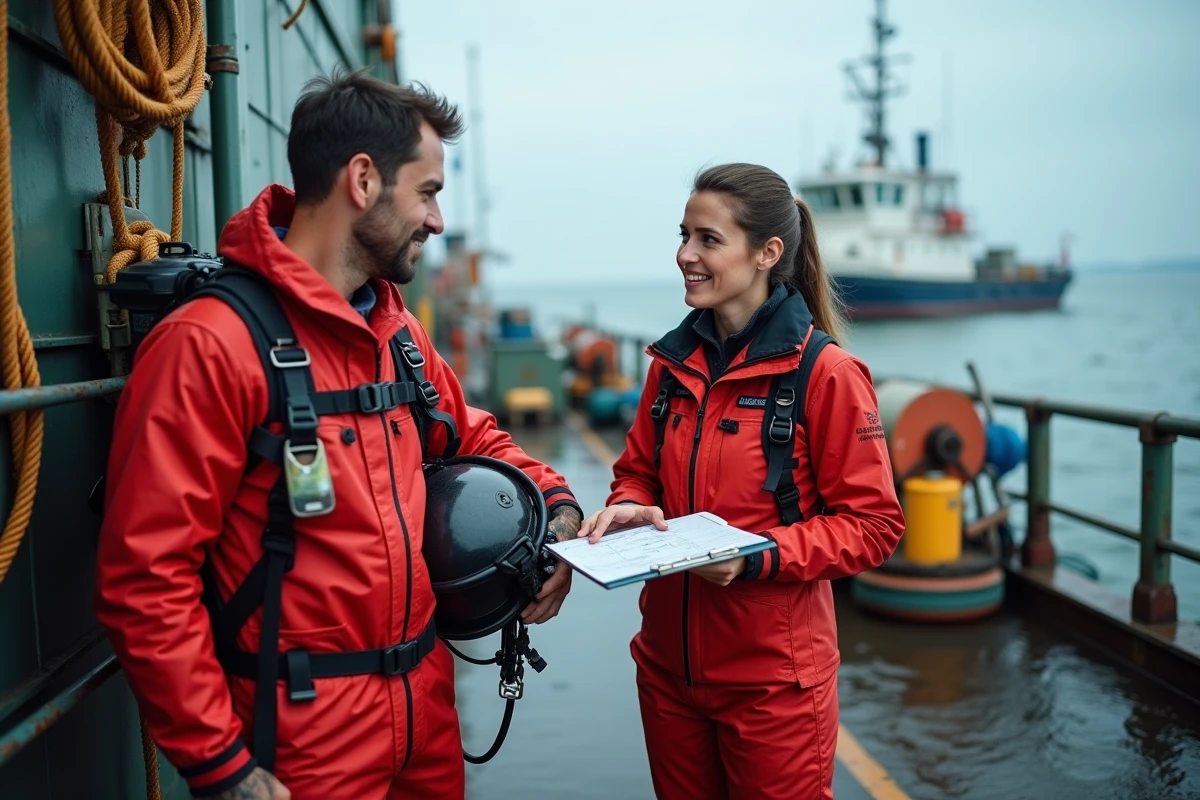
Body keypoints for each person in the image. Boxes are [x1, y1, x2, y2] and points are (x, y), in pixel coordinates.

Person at [94, 68, 581, 800]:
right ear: (362, 180)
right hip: (300, 749)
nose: (437, 221)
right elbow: (145, 578)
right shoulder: (210, 345)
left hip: (426, 728)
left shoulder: (398, 336)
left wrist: (560, 515)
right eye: (428, 192)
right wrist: (221, 766)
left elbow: (477, 441)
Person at [578, 163, 905, 799]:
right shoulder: (671, 367)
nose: (684, 255)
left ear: (768, 253)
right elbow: (639, 473)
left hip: (774, 687)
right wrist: (626, 507)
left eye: (707, 240)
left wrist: (755, 558)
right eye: (683, 235)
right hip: (670, 674)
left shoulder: (827, 375)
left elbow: (874, 527)